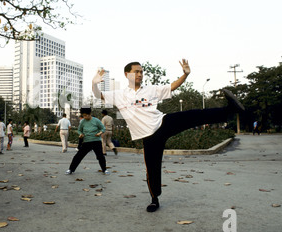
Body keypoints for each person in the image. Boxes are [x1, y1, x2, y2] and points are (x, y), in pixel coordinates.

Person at [92, 60, 245, 212]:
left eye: (141, 71)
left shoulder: (150, 90)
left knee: (193, 115)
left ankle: (229, 110)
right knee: (152, 168)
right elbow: (99, 95)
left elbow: (172, 86)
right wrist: (94, 83)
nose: (140, 74)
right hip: (149, 136)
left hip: (162, 123)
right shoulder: (119, 95)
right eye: (136, 71)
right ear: (127, 74)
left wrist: (185, 75)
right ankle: (154, 199)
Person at [66, 107, 109, 175]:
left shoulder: (96, 120)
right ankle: (71, 169)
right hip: (87, 141)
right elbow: (79, 130)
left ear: (90, 114)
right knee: (78, 156)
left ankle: (104, 169)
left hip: (96, 141)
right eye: (83, 115)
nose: (85, 117)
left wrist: (100, 133)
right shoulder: (83, 121)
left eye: (86, 115)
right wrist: (80, 134)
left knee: (100, 156)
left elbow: (103, 128)